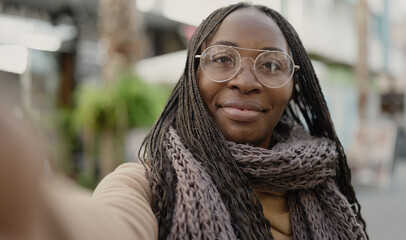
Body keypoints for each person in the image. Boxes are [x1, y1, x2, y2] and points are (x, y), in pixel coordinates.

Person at [0, 2, 368, 240]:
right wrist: (31, 204)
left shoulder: (321, 185)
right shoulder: (149, 184)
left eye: (271, 64)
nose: (244, 80)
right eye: (223, 59)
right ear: (194, 77)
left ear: (293, 85)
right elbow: (110, 223)